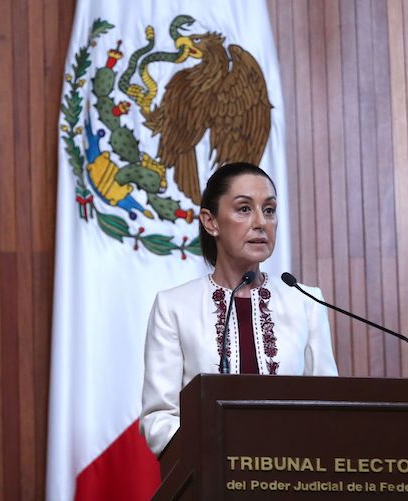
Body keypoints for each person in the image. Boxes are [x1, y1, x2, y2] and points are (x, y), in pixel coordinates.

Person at [139, 162, 338, 455]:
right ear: (211, 222)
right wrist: (214, 455)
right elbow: (160, 418)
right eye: (244, 209)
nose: (261, 222)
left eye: (269, 210)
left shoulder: (306, 301)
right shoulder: (174, 307)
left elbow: (330, 406)